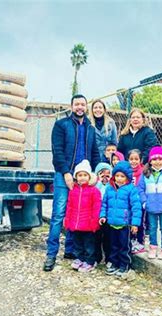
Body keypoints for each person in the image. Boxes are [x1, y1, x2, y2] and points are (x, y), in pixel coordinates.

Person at [44, 94, 100, 272]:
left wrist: (96, 174)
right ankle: (51, 254)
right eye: (77, 104)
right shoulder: (61, 125)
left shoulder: (91, 129)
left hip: (84, 179)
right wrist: (67, 173)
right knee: (59, 214)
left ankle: (71, 251)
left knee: (78, 212)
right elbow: (57, 151)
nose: (80, 107)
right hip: (64, 175)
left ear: (86, 107)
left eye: (83, 104)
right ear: (71, 106)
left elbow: (95, 153)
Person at [99, 161, 142, 279]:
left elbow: (136, 207)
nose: (119, 178)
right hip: (111, 223)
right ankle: (114, 263)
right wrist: (103, 216)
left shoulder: (131, 189)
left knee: (124, 246)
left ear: (127, 177)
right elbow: (104, 204)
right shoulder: (110, 188)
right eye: (117, 175)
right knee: (113, 245)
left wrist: (134, 223)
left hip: (124, 224)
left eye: (122, 176)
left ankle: (124, 265)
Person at [64, 160, 102, 273]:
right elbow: (69, 206)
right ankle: (80, 258)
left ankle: (90, 261)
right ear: (76, 177)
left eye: (85, 175)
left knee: (89, 245)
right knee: (78, 243)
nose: (82, 178)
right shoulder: (73, 191)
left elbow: (97, 207)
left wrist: (95, 222)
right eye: (80, 175)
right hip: (76, 223)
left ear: (89, 177)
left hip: (89, 224)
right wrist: (67, 220)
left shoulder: (94, 191)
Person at [138, 146, 162, 260]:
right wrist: (144, 202)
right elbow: (140, 189)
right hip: (151, 207)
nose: (157, 162)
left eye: (160, 159)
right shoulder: (145, 174)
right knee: (152, 228)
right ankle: (153, 247)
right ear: (150, 161)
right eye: (154, 159)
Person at [128, 149, 146, 254]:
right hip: (129, 202)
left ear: (140, 160)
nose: (133, 161)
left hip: (139, 202)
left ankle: (140, 242)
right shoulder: (126, 172)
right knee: (130, 221)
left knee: (139, 222)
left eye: (136, 159)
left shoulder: (143, 172)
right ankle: (131, 240)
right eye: (131, 159)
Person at [94, 162, 113, 265]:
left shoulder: (112, 187)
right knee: (96, 238)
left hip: (108, 216)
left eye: (108, 174)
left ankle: (108, 258)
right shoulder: (95, 186)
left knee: (108, 239)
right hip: (96, 216)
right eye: (102, 174)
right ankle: (97, 257)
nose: (105, 177)